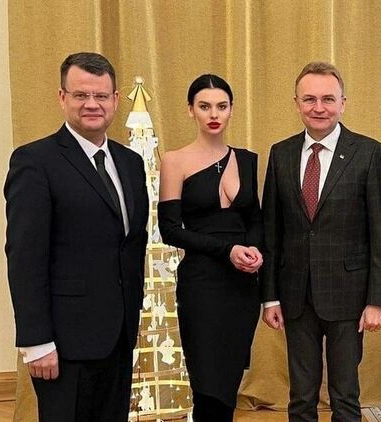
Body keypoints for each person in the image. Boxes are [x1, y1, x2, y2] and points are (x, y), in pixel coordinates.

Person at [4, 52, 149, 421]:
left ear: (115, 99)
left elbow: (131, 245)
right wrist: (36, 342)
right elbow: (25, 256)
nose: (92, 104)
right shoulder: (35, 161)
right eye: (81, 95)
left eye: (101, 96)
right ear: (62, 97)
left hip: (118, 336)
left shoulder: (130, 163)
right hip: (63, 344)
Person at [260, 62, 381, 422]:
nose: (318, 107)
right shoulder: (281, 154)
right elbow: (272, 231)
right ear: (297, 103)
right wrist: (270, 296)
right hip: (295, 295)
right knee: (301, 396)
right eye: (309, 99)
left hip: (349, 295)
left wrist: (377, 300)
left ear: (343, 103)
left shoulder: (368, 152)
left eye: (328, 99)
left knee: (345, 395)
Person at [158, 74, 263, 421]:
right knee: (207, 383)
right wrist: (226, 250)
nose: (214, 114)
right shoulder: (175, 160)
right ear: (191, 110)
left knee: (228, 382)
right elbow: (169, 230)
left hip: (242, 288)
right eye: (204, 106)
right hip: (201, 285)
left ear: (232, 109)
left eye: (221, 106)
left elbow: (255, 218)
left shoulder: (247, 160)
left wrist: (254, 250)